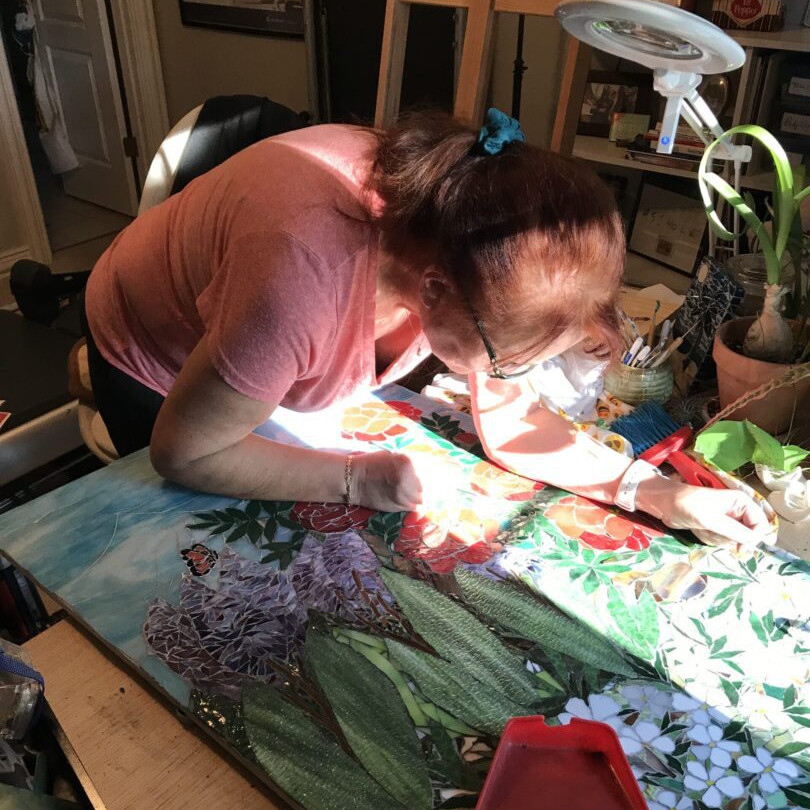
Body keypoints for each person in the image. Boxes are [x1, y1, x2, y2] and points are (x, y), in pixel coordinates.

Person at [83, 109, 771, 547]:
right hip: (151, 349)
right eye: (509, 362)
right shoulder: (300, 281)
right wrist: (355, 480)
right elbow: (184, 452)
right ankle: (91, 372)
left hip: (259, 341)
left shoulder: (460, 230)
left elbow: (509, 422)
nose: (510, 379)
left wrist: (650, 491)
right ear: (434, 290)